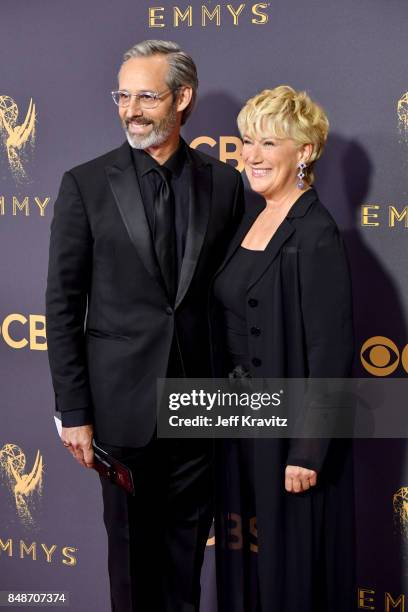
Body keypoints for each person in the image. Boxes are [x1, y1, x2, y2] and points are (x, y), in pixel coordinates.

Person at [45, 39, 244, 612]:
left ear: (183, 98)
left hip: (200, 405)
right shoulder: (85, 183)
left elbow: (228, 296)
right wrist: (74, 411)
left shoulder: (224, 183)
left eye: (146, 96)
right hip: (119, 407)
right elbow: (62, 303)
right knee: (131, 561)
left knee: (188, 560)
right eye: (123, 96)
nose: (130, 109)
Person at [211, 86, 355, 611]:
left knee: (287, 574)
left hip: (286, 436)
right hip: (235, 422)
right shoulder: (250, 217)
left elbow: (331, 350)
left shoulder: (314, 232)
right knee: (245, 570)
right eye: (247, 140)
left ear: (305, 152)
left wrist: (307, 450)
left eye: (268, 143)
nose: (251, 155)